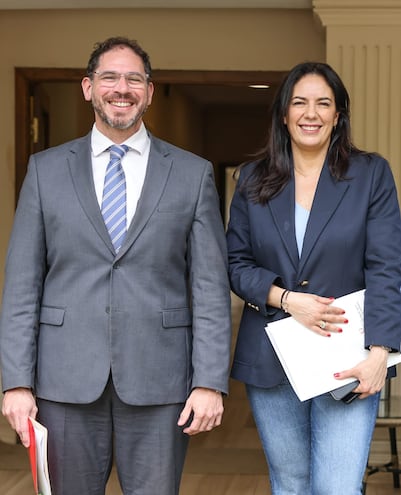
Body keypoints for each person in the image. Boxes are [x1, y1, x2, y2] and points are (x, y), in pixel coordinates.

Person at [0, 36, 232, 495]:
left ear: (149, 91)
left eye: (133, 79)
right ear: (88, 88)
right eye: (109, 77)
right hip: (62, 382)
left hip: (160, 383)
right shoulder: (44, 171)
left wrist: (209, 382)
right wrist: (15, 383)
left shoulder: (191, 173)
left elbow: (209, 286)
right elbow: (22, 287)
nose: (120, 88)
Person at [226, 61, 401, 495]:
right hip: (272, 355)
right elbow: (234, 263)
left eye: (324, 103)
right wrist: (286, 299)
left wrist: (381, 353)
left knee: (338, 488)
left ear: (338, 115)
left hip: (349, 357)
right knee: (291, 485)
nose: (311, 113)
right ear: (283, 113)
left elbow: (386, 266)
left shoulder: (371, 175)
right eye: (299, 102)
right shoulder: (252, 179)